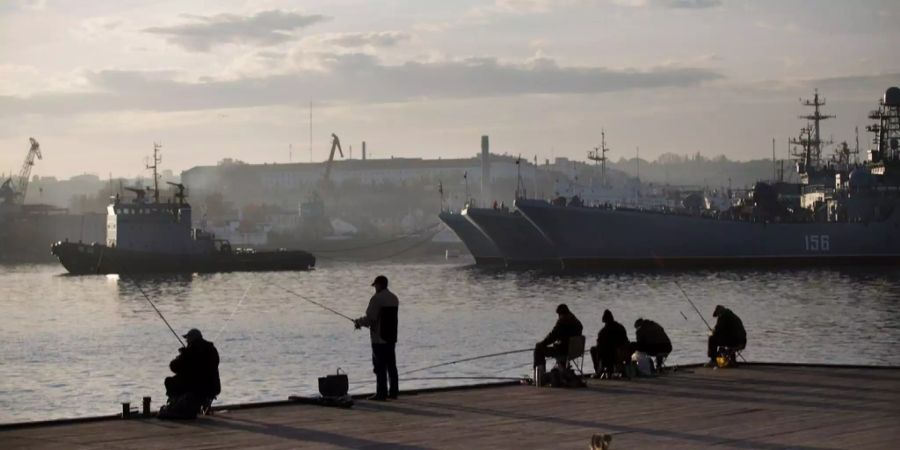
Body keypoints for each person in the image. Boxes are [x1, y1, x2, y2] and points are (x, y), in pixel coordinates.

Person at [355, 275, 399, 401]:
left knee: (379, 366)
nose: (374, 288)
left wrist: (358, 322)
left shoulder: (376, 299)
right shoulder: (394, 298)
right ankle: (394, 392)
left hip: (379, 338)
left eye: (375, 285)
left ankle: (381, 393)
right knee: (391, 365)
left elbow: (370, 319)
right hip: (391, 336)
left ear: (379, 285)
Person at [161, 328, 220, 419]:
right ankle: (200, 403)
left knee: (169, 381)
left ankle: (177, 403)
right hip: (213, 386)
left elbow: (174, 367)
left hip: (196, 386)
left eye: (187, 339)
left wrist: (182, 355)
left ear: (191, 339)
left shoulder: (191, 352)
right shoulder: (212, 349)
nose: (186, 341)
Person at [534, 304, 583, 369]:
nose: (558, 317)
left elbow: (552, 336)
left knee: (538, 349)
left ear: (561, 314)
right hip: (575, 351)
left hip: (563, 351)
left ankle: (540, 373)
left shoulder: (562, 322)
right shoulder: (576, 322)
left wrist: (542, 344)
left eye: (559, 315)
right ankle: (563, 367)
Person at [590, 309, 629, 378]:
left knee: (593, 350)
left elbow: (599, 344)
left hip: (611, 355)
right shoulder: (620, 327)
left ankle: (598, 371)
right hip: (623, 353)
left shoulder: (604, 331)